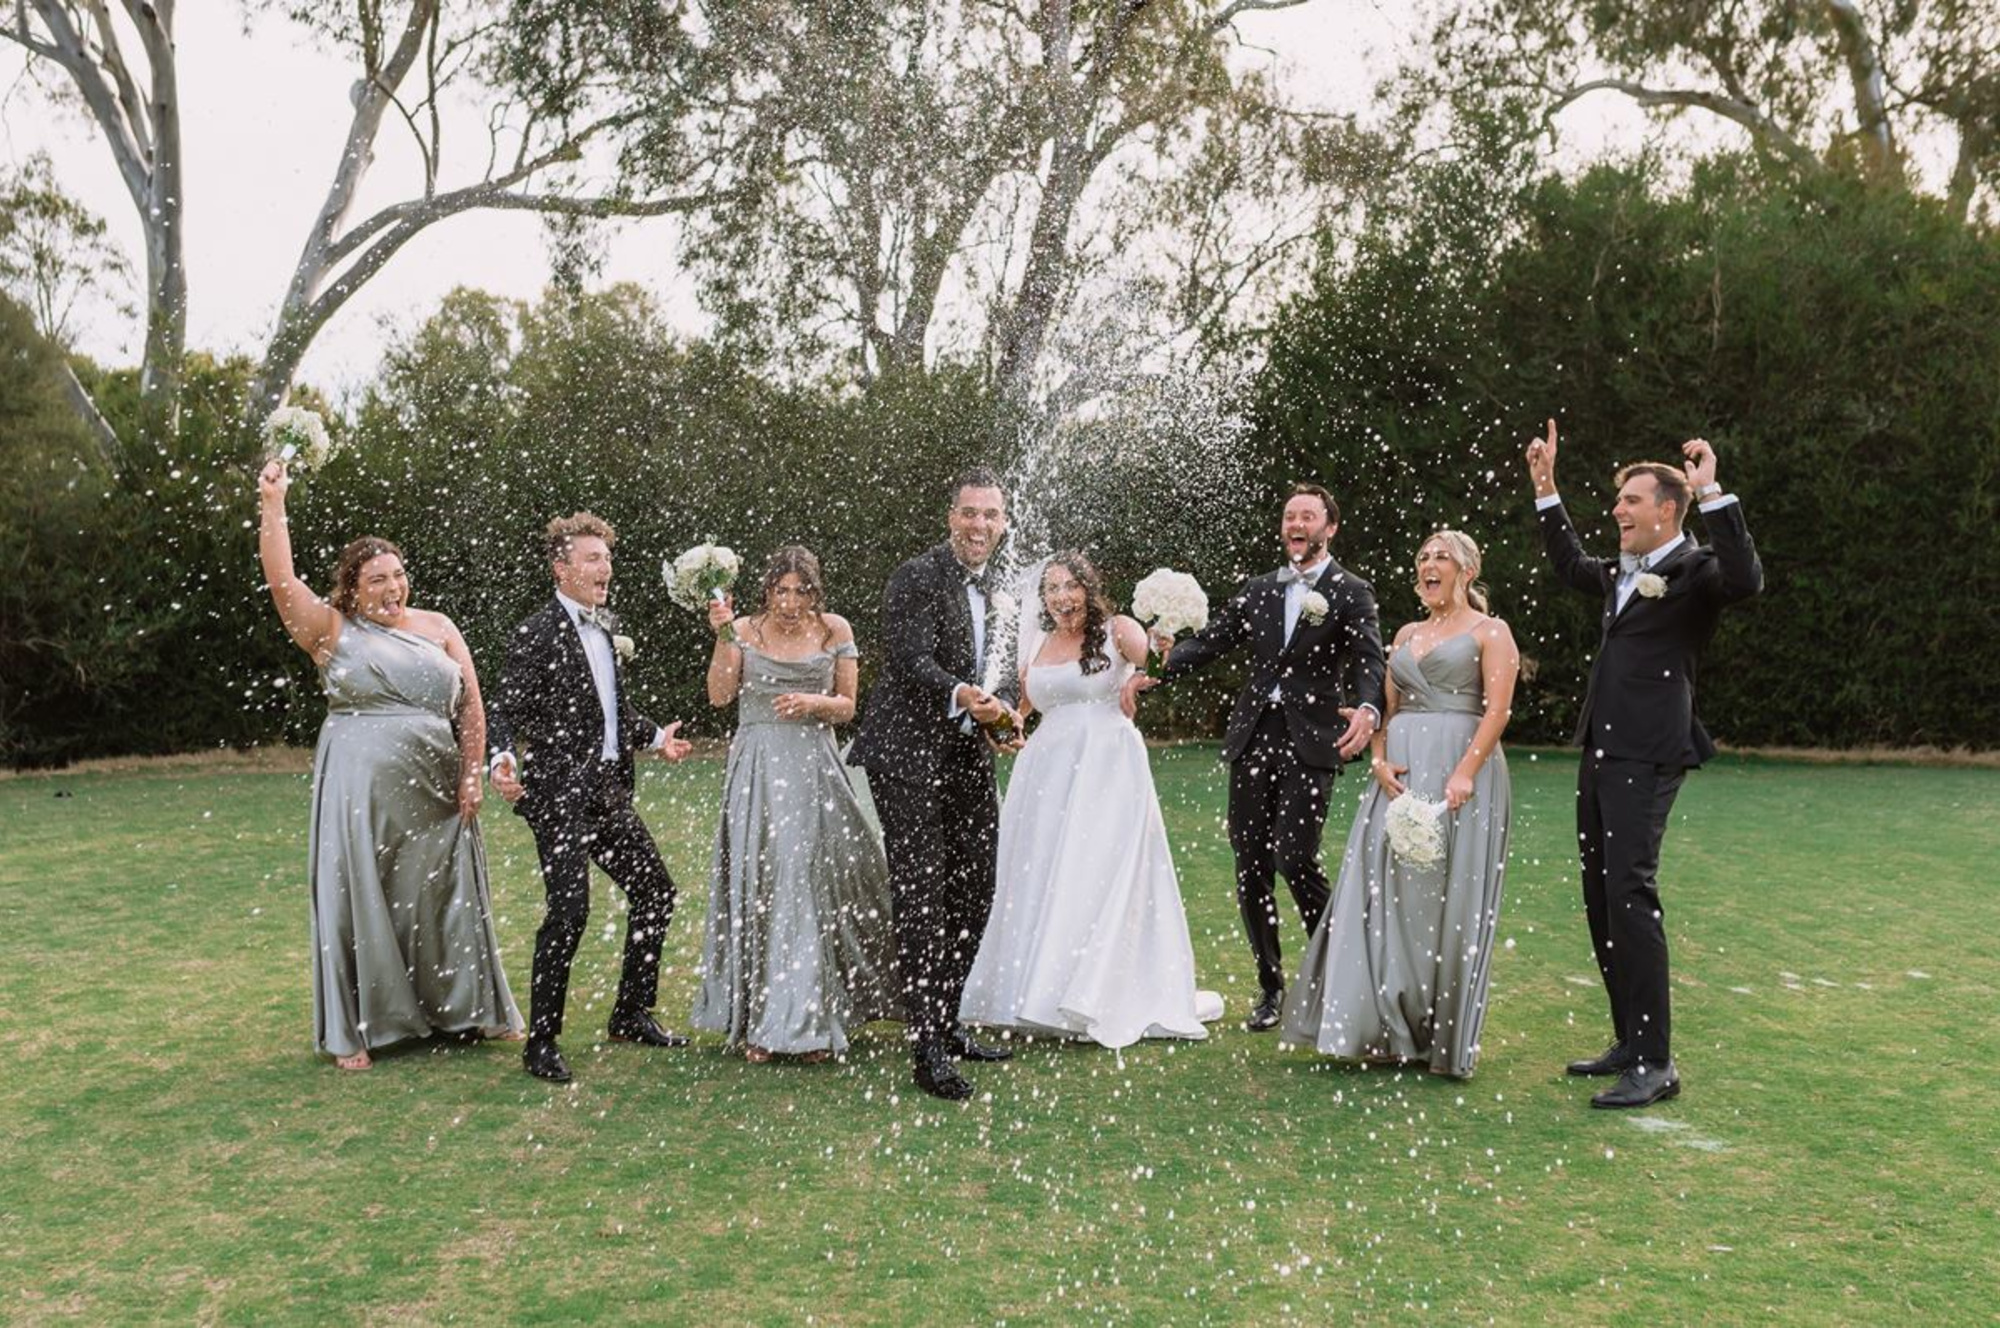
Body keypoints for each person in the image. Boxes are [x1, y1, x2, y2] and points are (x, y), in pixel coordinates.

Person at [256, 459, 523, 1070]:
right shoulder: (331, 630)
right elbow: (281, 581)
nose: (391, 587)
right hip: (362, 793)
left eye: (398, 575)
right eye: (376, 579)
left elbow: (473, 707)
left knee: (444, 898)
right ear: (350, 587)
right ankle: (359, 1028)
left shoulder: (437, 626)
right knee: (364, 897)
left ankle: (465, 1009)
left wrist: (471, 773)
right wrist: (274, 505)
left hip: (439, 791)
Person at [1526, 421, 1763, 1108]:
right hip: (1600, 748)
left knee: (1631, 892)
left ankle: (1656, 1062)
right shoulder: (1623, 575)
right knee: (1601, 895)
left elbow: (1747, 579)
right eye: (1618, 501)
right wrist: (1547, 491)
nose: (1618, 512)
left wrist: (1713, 488)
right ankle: (1630, 1039)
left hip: (1649, 750)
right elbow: (1571, 565)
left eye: (1631, 501)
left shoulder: (1696, 571)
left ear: (1667, 508)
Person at [1124, 482, 1387, 1034]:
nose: (1297, 524)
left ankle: (1334, 973)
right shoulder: (1261, 589)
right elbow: (1213, 641)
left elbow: (1368, 660)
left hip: (1311, 741)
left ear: (1329, 528)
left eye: (1308, 516)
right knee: (1250, 867)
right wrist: (1162, 666)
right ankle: (1271, 987)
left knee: (1295, 857)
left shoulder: (1351, 591)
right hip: (1253, 737)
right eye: (1290, 516)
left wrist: (1367, 707)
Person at [960, 553, 1224, 1047]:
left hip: (1107, 766)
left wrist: (1138, 677)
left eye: (1070, 587)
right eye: (1052, 589)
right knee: (1038, 870)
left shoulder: (1118, 630)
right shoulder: (1036, 642)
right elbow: (1023, 707)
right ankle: (1034, 989)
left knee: (1095, 868)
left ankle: (1093, 992)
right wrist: (1004, 725)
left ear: (1089, 588)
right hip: (1045, 772)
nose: (1061, 597)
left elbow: (1162, 666)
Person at [1282, 531, 1518, 1077]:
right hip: (1399, 779)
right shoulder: (1408, 632)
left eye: (1441, 557)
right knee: (1383, 894)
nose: (1429, 566)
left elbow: (1498, 711)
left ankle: (1437, 1032)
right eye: (1423, 558)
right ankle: (1384, 1024)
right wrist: (1380, 759)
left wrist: (1464, 772)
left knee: (1443, 901)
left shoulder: (1491, 631)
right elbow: (1385, 708)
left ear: (1467, 569)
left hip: (1462, 772)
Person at [488, 512, 696, 1084]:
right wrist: (501, 758)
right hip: (557, 795)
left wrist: (656, 738)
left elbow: (610, 714)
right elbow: (505, 709)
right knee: (570, 913)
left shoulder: (605, 628)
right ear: (562, 568)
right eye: (591, 558)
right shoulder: (536, 632)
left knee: (656, 891)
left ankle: (630, 1011)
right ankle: (541, 1041)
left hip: (607, 791)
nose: (604, 568)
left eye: (606, 557)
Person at [847, 466, 1022, 1101]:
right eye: (969, 513)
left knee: (977, 888)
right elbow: (908, 657)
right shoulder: (916, 576)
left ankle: (946, 1021)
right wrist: (960, 692)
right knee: (923, 896)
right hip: (907, 756)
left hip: (967, 756)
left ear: (1003, 523)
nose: (979, 525)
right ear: (951, 517)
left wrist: (1002, 710)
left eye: (991, 516)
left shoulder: (1005, 589)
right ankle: (926, 1049)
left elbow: (1002, 673)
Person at [690, 546, 901, 1063]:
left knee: (815, 880)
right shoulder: (742, 628)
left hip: (815, 765)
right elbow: (719, 696)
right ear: (766, 590)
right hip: (760, 769)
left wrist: (815, 704)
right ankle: (767, 1022)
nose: (789, 602)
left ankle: (813, 1016)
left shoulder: (836, 630)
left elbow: (848, 707)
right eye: (780, 591)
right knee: (769, 882)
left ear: (815, 591)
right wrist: (722, 636)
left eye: (800, 591)